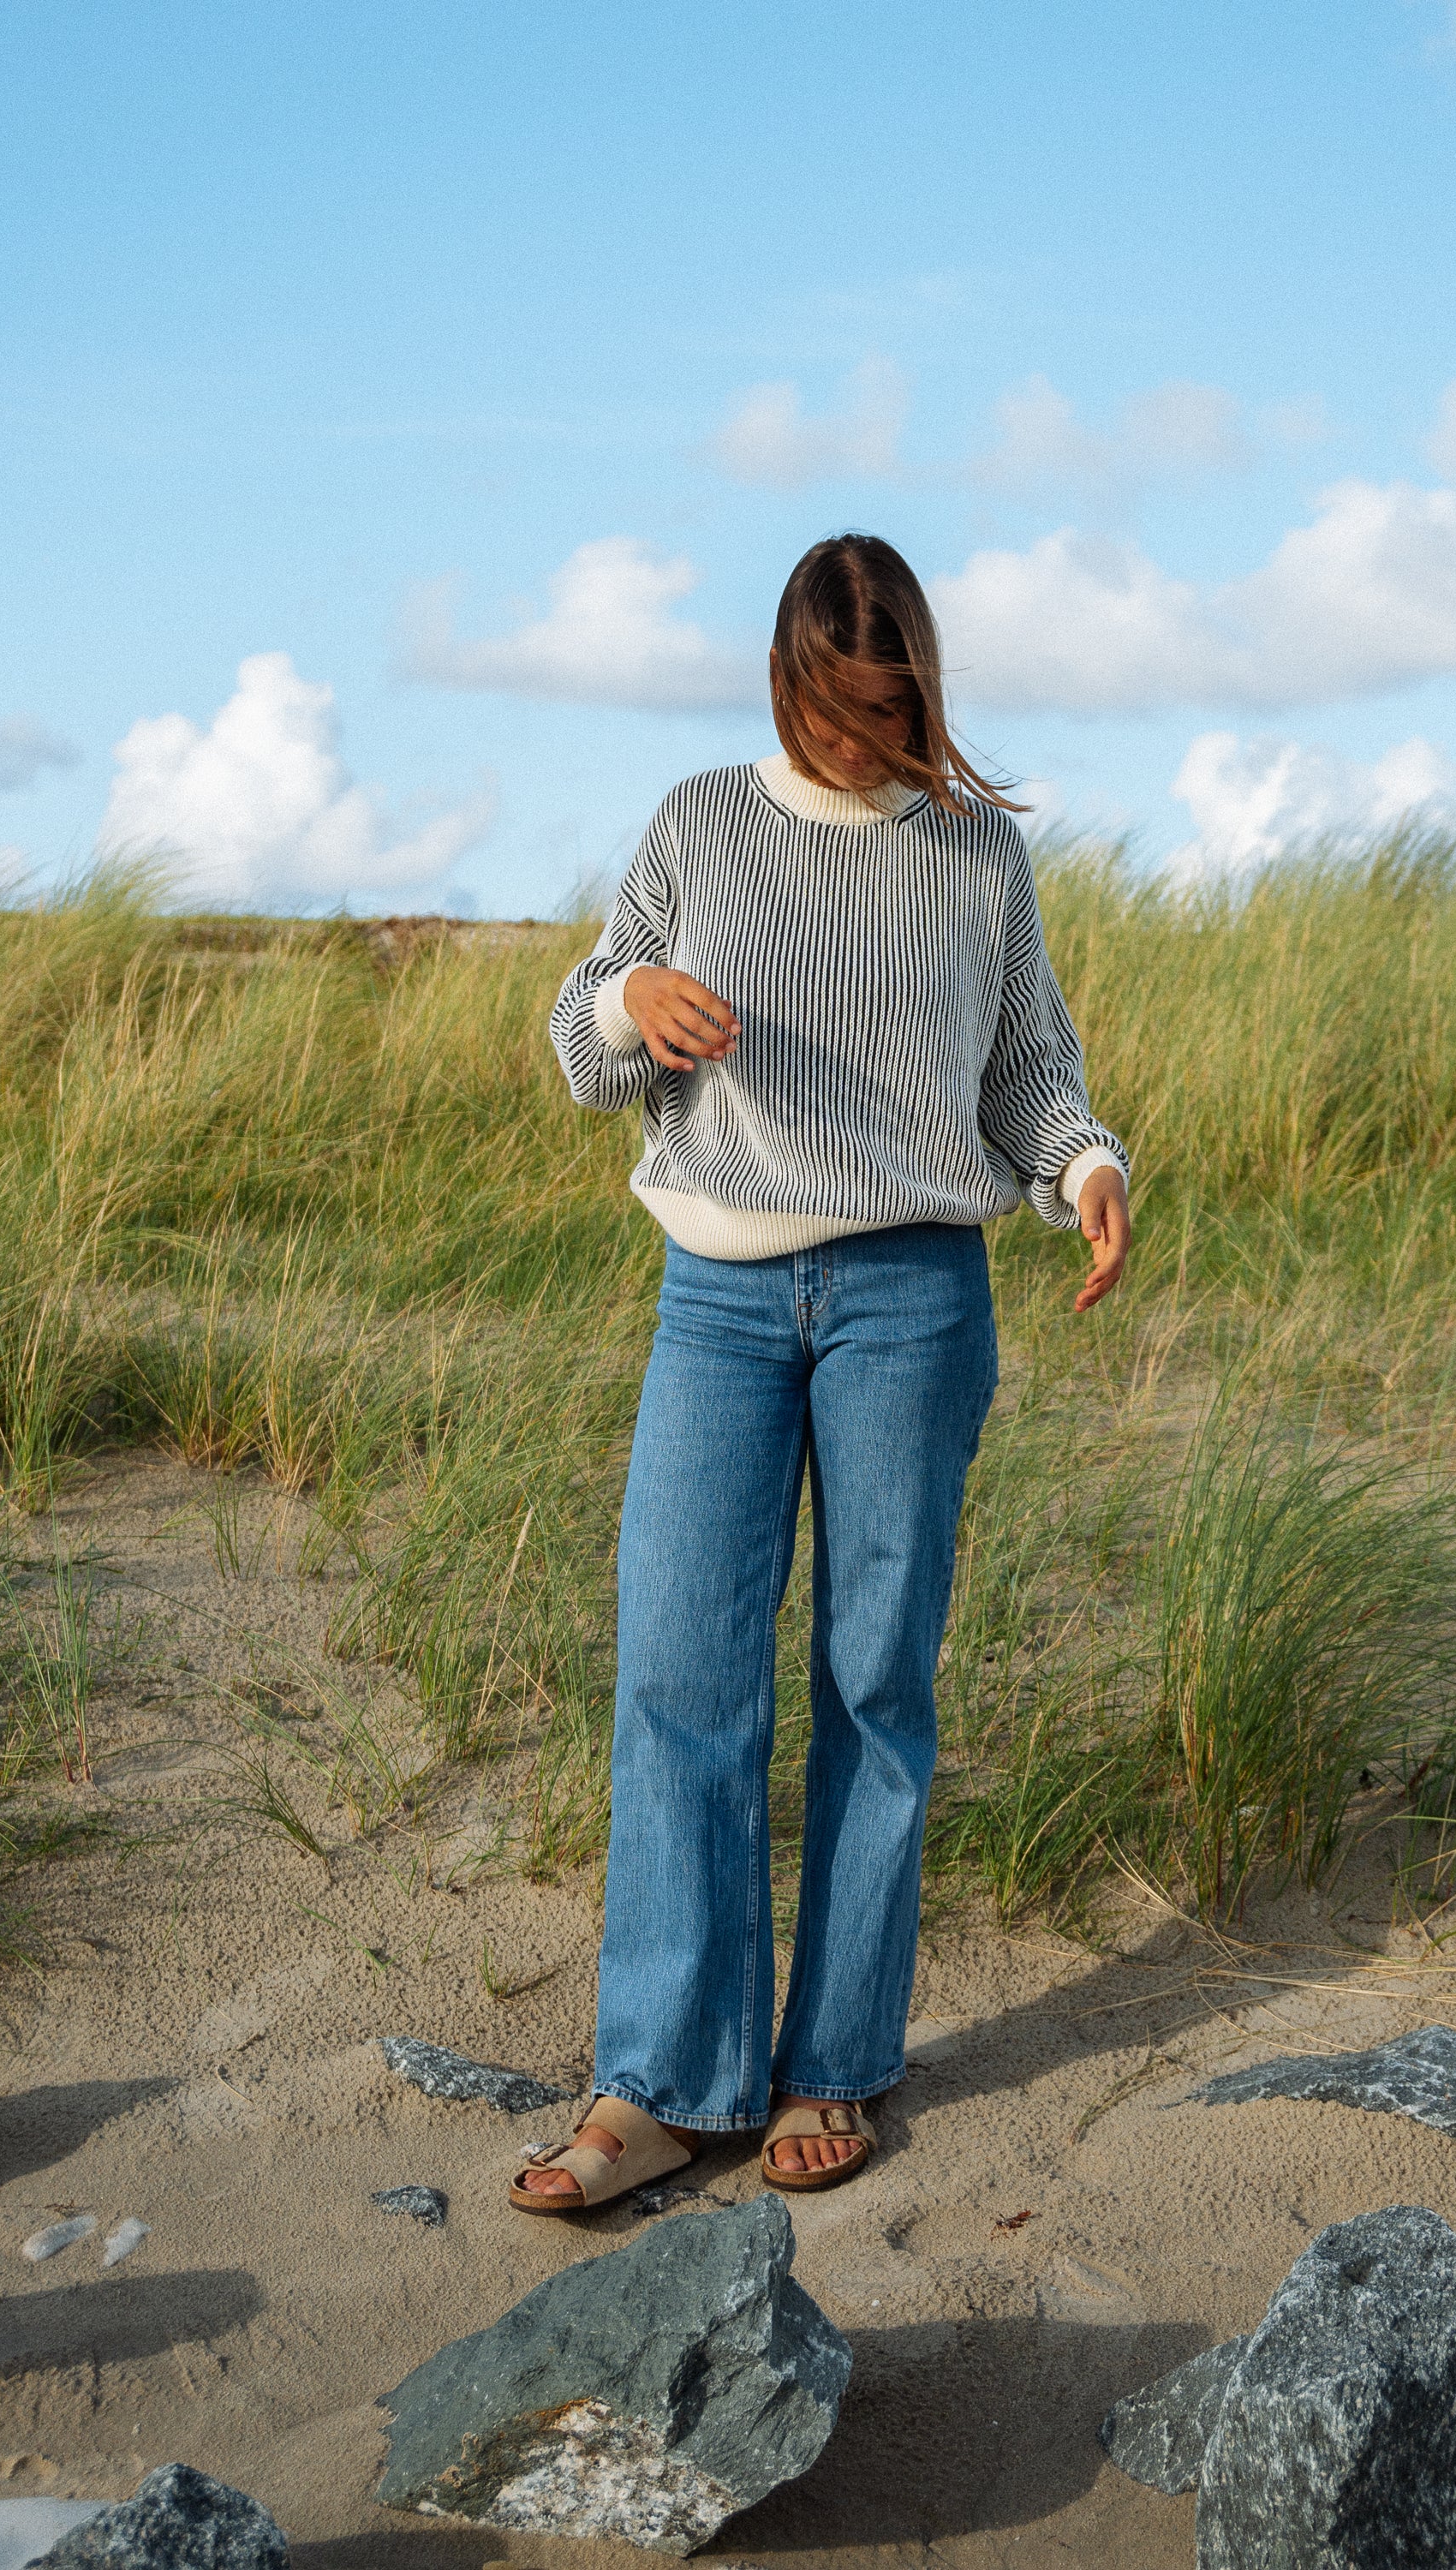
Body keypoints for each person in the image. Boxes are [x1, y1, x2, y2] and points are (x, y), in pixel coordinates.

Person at [516, 533, 1129, 2214]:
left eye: (891, 710)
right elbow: (580, 1039)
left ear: (922, 689)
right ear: (786, 681)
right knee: (681, 1674)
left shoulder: (975, 854)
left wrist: (1084, 1168)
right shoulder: (699, 821)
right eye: (836, 708)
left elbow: (1029, 1070)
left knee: (875, 1683)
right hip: (716, 1300)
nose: (863, 740)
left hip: (913, 1300)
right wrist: (633, 999)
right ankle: (661, 2084)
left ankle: (830, 2062)